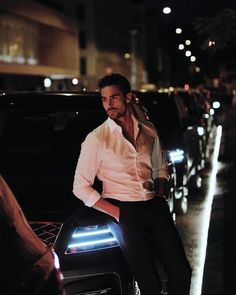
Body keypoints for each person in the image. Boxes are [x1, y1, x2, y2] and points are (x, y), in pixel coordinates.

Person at [73, 73, 192, 295]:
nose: (108, 104)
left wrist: (160, 191)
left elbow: (160, 166)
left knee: (181, 272)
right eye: (104, 99)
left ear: (128, 97)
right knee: (149, 283)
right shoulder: (97, 138)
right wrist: (118, 214)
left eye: (114, 97)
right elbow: (80, 186)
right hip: (125, 212)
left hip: (155, 206)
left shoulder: (148, 130)